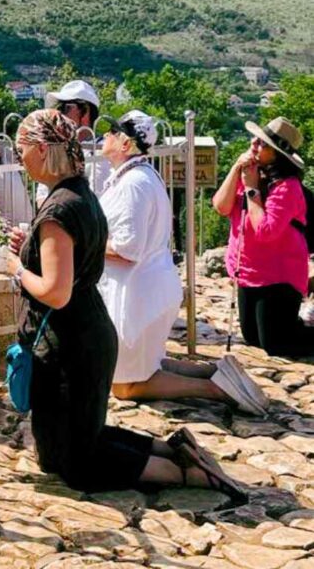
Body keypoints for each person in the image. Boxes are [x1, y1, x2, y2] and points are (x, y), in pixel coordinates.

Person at [5, 109, 246, 498]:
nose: (19, 157)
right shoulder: (79, 194)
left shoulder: (59, 210)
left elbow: (55, 291)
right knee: (63, 447)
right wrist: (31, 249)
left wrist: (17, 268)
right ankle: (172, 448)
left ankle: (182, 473)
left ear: (44, 149)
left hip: (71, 345)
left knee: (78, 462)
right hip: (87, 333)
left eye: (23, 149)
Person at [99, 110, 267, 414]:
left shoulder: (133, 184)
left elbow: (127, 249)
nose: (105, 135)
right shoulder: (137, 177)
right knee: (142, 364)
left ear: (125, 144)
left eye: (112, 131)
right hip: (144, 289)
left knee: (126, 385)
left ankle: (215, 389)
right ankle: (214, 371)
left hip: (138, 294)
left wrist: (83, 243)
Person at [213, 117, 313, 357]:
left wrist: (252, 190)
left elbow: (265, 231)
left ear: (278, 154)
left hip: (278, 274)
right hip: (248, 270)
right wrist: (235, 169)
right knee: (253, 338)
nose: (255, 144)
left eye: (263, 143)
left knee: (276, 344)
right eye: (256, 139)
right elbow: (221, 206)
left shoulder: (287, 187)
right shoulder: (251, 173)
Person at [36, 80, 111, 204]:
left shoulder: (100, 150)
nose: (59, 113)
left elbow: (95, 197)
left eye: (65, 108)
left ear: (85, 112)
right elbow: (42, 195)